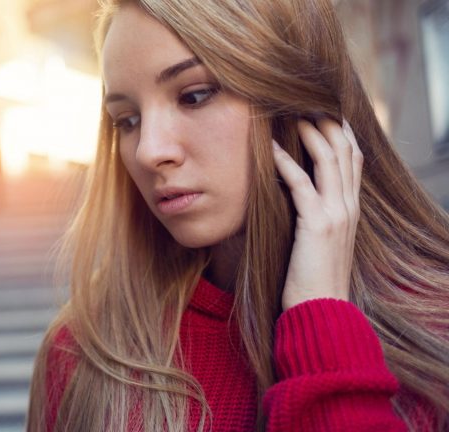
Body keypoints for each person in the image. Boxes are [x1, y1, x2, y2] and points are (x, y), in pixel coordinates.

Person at [26, 0, 449, 431]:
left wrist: (322, 325)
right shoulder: (81, 353)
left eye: (194, 95)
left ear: (295, 100)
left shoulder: (436, 329)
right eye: (127, 120)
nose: (149, 151)